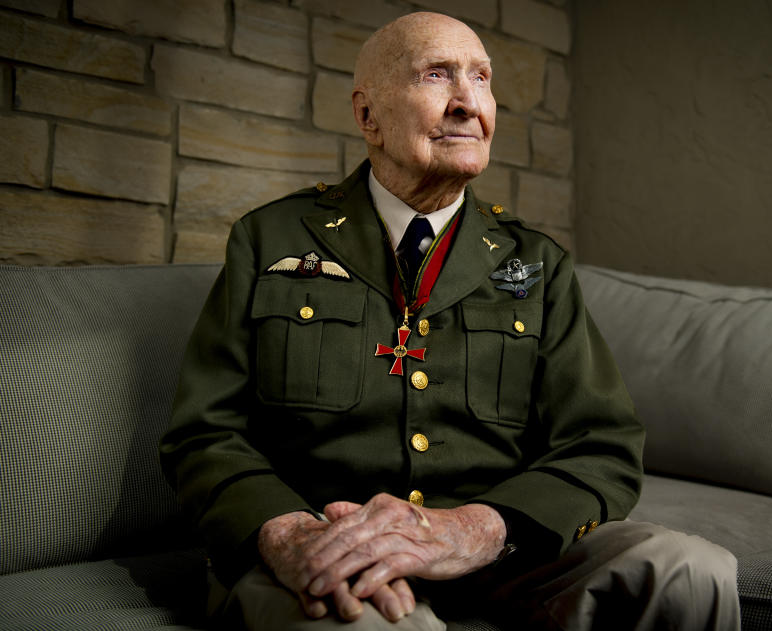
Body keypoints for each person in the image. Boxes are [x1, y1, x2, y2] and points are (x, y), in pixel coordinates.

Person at [160, 11, 740, 630]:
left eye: (482, 80)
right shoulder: (269, 238)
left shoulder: (535, 262)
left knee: (686, 570)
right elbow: (204, 434)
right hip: (333, 547)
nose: (469, 103)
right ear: (367, 116)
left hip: (496, 551)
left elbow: (603, 444)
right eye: (438, 75)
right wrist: (285, 533)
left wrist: (477, 530)